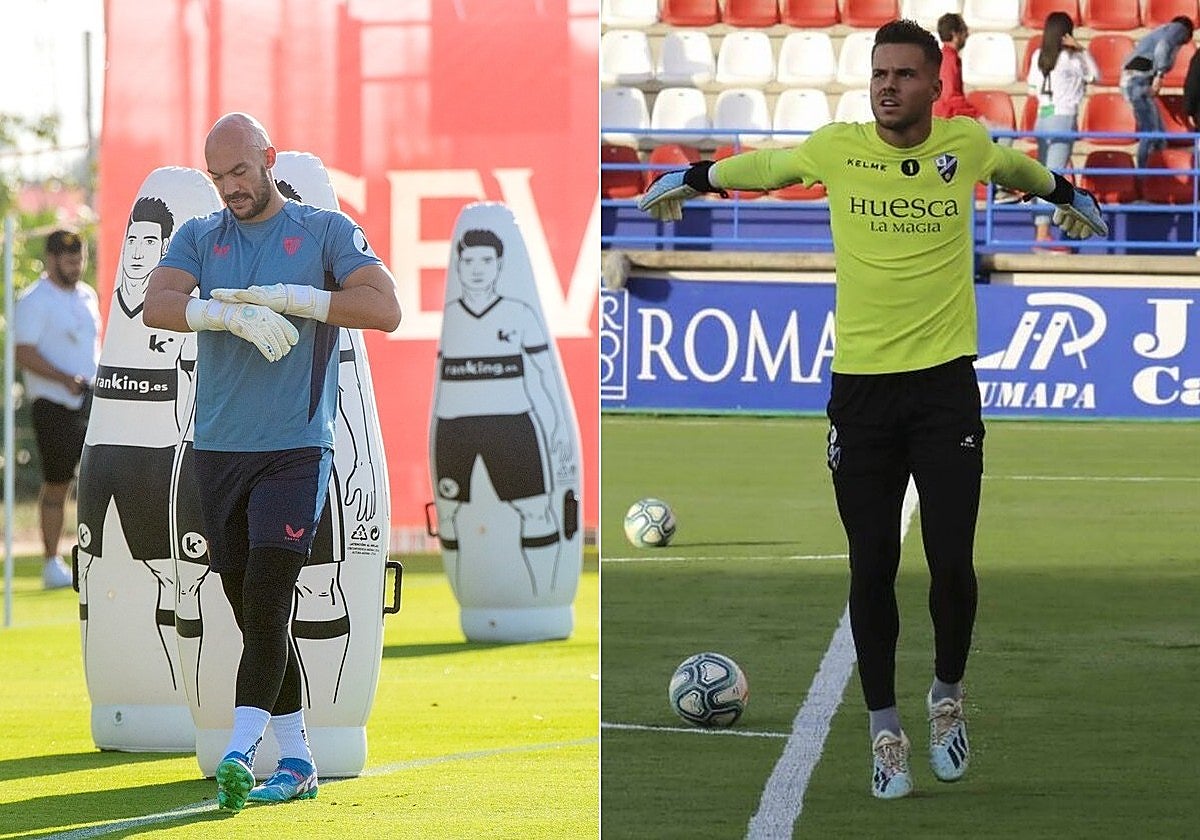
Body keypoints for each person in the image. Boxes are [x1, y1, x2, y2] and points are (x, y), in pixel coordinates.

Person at [637, 19, 1106, 800]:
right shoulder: (836, 147)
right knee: (872, 567)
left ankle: (946, 699)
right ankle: (885, 731)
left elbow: (1021, 170)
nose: (887, 86)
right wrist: (693, 177)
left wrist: (1069, 193)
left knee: (952, 565)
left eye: (904, 75)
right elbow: (767, 167)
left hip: (945, 387)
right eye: (878, 74)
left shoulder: (965, 145)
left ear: (933, 84)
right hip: (861, 393)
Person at [143, 112, 401, 813]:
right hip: (219, 451)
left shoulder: (322, 232)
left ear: (268, 160)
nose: (230, 188)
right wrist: (217, 315)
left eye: (240, 173)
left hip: (294, 449)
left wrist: (304, 301)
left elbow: (386, 308)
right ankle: (298, 760)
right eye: (218, 177)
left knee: (267, 601)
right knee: (253, 612)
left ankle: (238, 748)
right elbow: (155, 304)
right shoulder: (201, 236)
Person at [13, 229, 101, 589]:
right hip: (53, 403)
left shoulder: (87, 296)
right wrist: (63, 378)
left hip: (91, 397)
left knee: (98, 478)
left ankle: (96, 552)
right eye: (67, 260)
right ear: (50, 259)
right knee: (57, 482)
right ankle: (51, 561)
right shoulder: (35, 300)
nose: (74, 266)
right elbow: (24, 352)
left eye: (78, 259)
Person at [1027, 11, 1098, 250]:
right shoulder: (1073, 58)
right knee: (1052, 177)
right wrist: (1081, 49)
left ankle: (1042, 230)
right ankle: (1042, 234)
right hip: (1063, 117)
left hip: (1043, 116)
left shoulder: (1038, 55)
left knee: (1044, 174)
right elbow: (1095, 75)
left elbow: (1031, 89)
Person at [1121, 15, 1195, 167]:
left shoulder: (1157, 32)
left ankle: (1157, 174)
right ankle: (1144, 176)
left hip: (1133, 80)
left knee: (1159, 135)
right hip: (1138, 81)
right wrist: (1160, 75)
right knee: (1151, 132)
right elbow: (1164, 45)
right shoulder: (1178, 29)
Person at [932, 14, 982, 121]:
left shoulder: (943, 57)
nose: (967, 35)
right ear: (955, 34)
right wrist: (976, 115)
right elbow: (950, 96)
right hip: (948, 118)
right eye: (964, 31)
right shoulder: (949, 60)